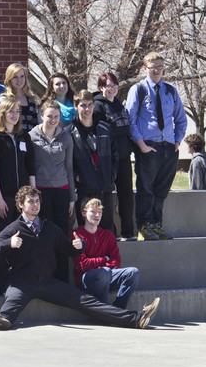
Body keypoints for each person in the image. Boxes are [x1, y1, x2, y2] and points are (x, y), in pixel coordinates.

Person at [0, 186, 160, 330]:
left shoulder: (49, 228)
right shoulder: (13, 229)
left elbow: (69, 250)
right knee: (10, 305)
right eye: (30, 202)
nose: (35, 205)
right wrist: (9, 243)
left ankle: (137, 319)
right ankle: (2, 320)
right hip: (21, 282)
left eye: (37, 201)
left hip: (48, 283)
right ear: (20, 204)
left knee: (87, 301)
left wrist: (79, 247)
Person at [125, 52, 187, 241]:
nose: (157, 70)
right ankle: (144, 225)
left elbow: (181, 119)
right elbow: (130, 118)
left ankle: (156, 224)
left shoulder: (170, 90)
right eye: (153, 67)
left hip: (168, 147)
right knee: (146, 188)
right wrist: (141, 144)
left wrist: (176, 141)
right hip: (148, 146)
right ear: (145, 69)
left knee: (161, 189)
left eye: (160, 66)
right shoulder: (139, 89)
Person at [0, 98, 36, 293]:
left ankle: (21, 282)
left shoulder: (24, 137)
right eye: (10, 111)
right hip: (4, 198)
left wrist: (33, 197)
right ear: (2, 114)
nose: (14, 115)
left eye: (17, 111)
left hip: (23, 200)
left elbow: (30, 168)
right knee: (5, 242)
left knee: (24, 242)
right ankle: (4, 285)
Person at [29, 100, 76, 282]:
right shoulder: (31, 136)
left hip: (61, 190)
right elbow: (30, 166)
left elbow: (69, 167)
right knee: (44, 234)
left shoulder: (66, 137)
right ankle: (46, 277)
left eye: (56, 117)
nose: (53, 120)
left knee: (61, 235)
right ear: (42, 115)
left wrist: (72, 197)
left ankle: (62, 278)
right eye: (49, 116)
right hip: (41, 191)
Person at [73, 199, 140, 309]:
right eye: (93, 211)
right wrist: (104, 259)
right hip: (87, 280)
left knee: (133, 272)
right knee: (104, 272)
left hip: (107, 276)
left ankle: (118, 308)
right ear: (83, 213)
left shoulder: (108, 235)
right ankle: (101, 312)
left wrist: (102, 265)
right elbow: (82, 265)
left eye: (100, 212)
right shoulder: (77, 235)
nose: (97, 215)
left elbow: (116, 262)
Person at [93, 72, 135, 240]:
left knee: (126, 194)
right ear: (101, 87)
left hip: (124, 157)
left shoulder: (119, 104)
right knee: (107, 196)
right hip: (107, 159)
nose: (111, 89)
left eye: (114, 86)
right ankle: (111, 232)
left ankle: (128, 231)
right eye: (107, 86)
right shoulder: (97, 106)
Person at [69, 90, 117, 232]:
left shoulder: (105, 129)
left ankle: (108, 256)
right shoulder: (69, 132)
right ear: (75, 106)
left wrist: (111, 175)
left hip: (105, 187)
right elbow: (67, 161)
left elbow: (115, 156)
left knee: (107, 230)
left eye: (90, 105)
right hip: (85, 189)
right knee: (87, 230)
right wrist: (77, 176)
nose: (87, 109)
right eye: (83, 105)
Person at [0, 63, 39, 133]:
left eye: (22, 76)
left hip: (30, 139)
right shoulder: (4, 99)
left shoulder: (31, 99)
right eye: (15, 77)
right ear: (9, 79)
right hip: (11, 138)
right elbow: (0, 122)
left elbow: (35, 124)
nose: (19, 80)